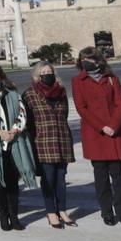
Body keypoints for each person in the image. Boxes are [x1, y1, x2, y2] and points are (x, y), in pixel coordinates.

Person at [72, 47, 121, 226]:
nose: (86, 62)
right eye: (83, 59)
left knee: (118, 174)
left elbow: (120, 104)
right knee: (100, 176)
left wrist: (113, 125)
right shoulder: (78, 81)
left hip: (115, 132)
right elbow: (81, 108)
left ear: (98, 60)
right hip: (95, 134)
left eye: (89, 59)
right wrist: (102, 127)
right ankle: (106, 211)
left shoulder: (112, 79)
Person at [0, 64, 37, 231]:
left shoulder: (13, 94)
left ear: (1, 78)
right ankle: (4, 216)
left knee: (12, 183)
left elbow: (22, 113)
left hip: (14, 142)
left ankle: (14, 216)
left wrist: (14, 130)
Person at [23, 60, 76, 229]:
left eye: (49, 72)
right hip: (43, 142)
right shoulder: (30, 94)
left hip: (62, 140)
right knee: (48, 179)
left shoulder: (61, 92)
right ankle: (51, 211)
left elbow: (65, 114)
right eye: (43, 72)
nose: (47, 75)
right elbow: (28, 122)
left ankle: (62, 210)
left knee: (61, 178)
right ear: (37, 75)